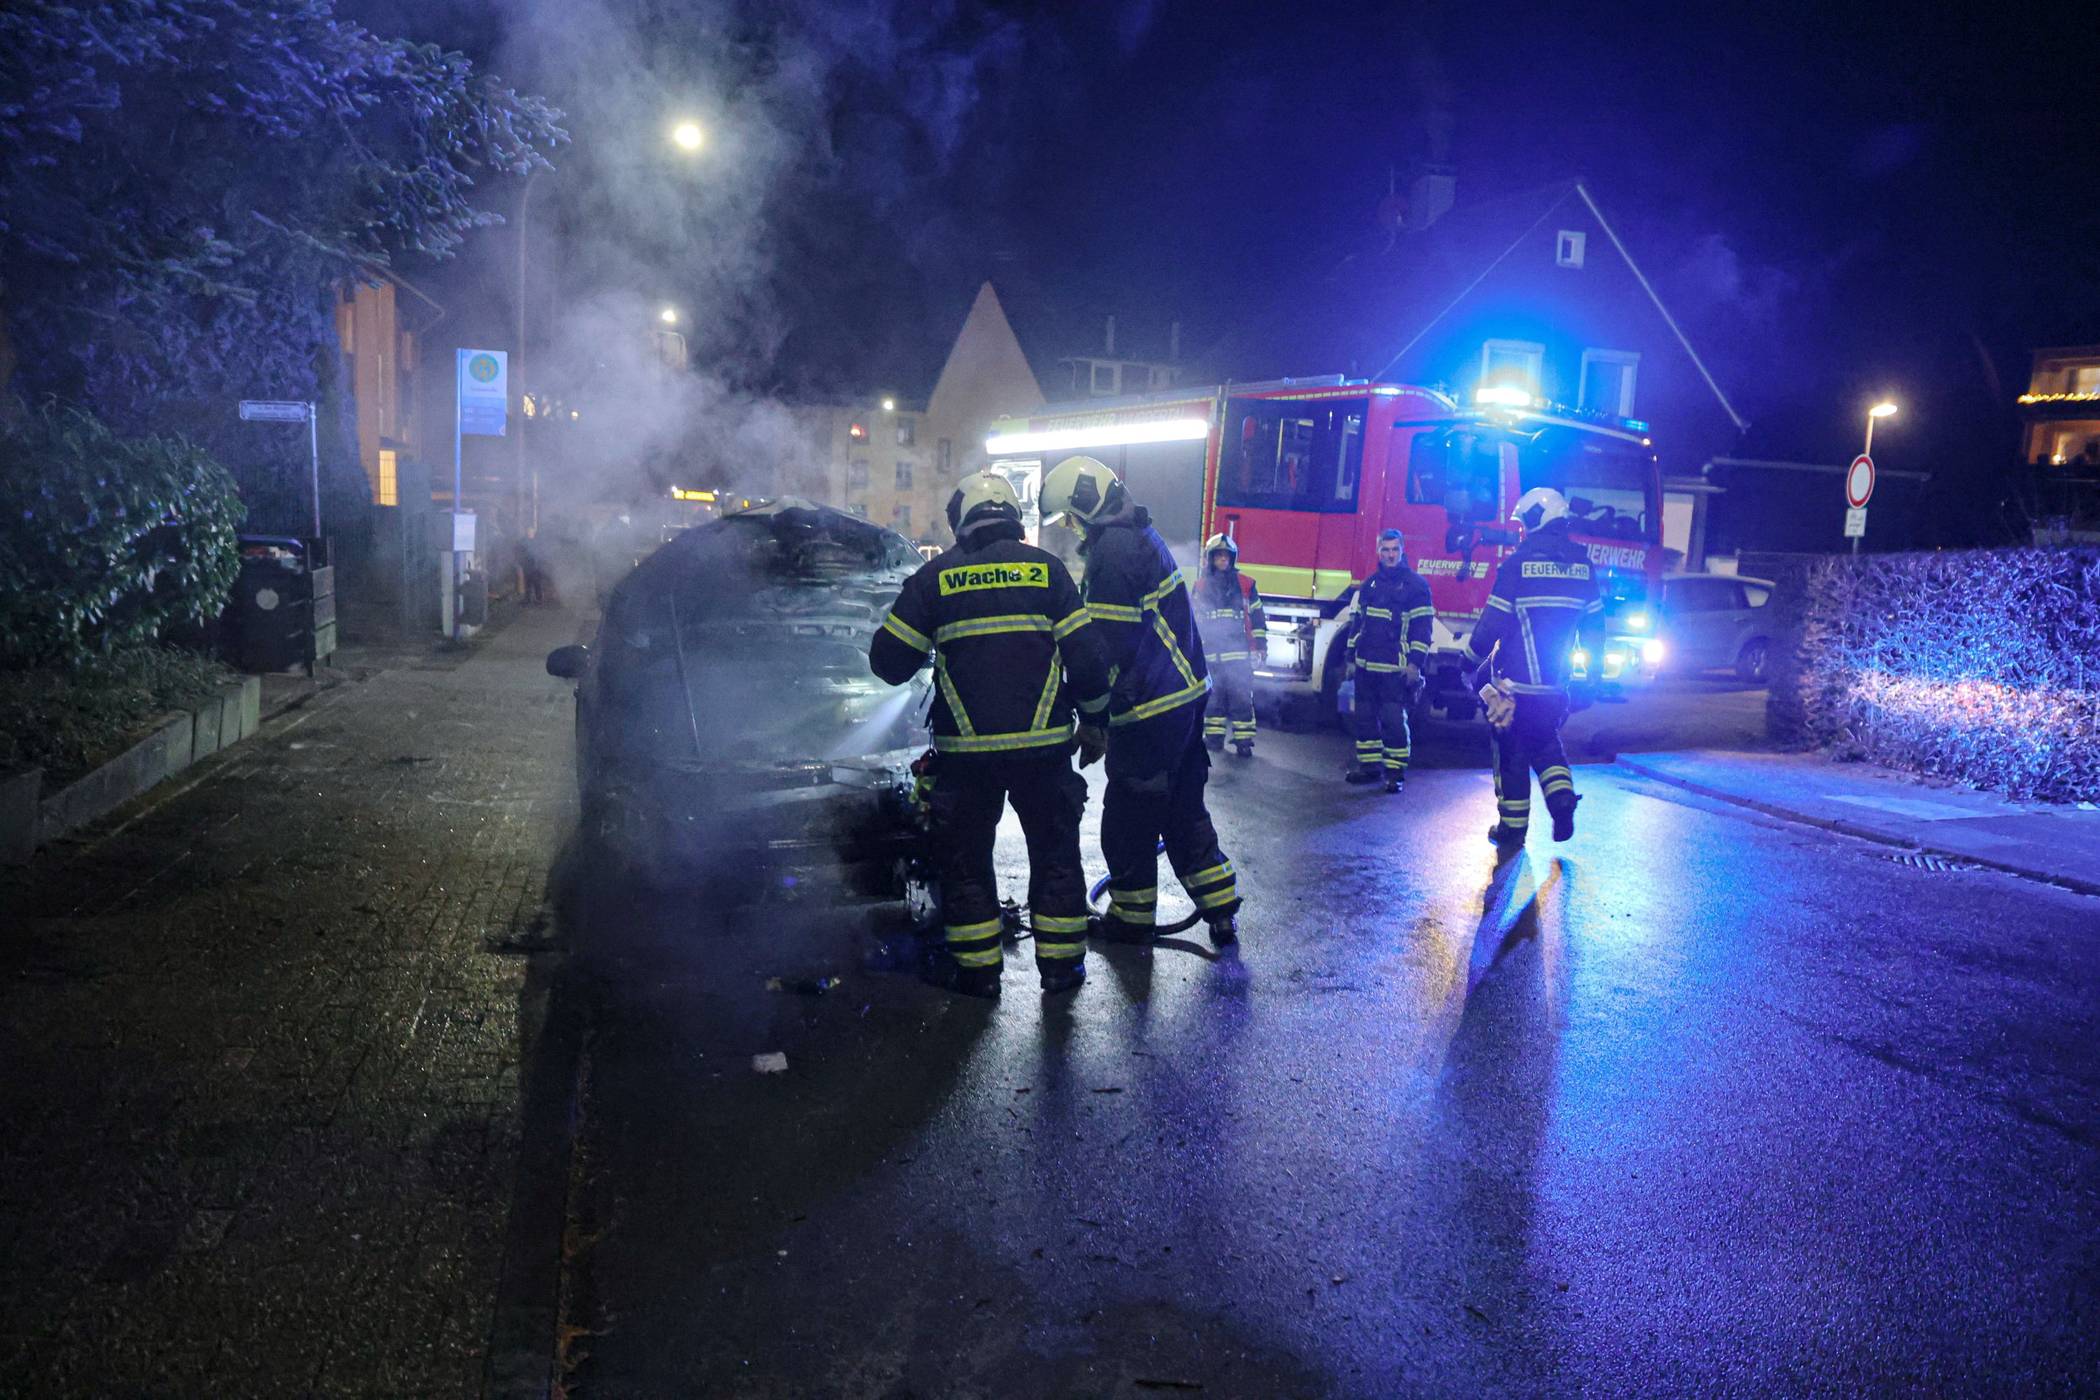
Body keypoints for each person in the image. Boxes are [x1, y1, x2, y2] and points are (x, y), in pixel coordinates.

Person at [868, 472, 1113, 999]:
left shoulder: (936, 578)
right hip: (1044, 752)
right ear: (1012, 517)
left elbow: (887, 663)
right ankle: (1063, 970)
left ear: (962, 520)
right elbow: (1089, 660)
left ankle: (979, 973)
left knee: (967, 862)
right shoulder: (1048, 573)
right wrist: (1095, 723)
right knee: (1055, 856)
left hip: (966, 758)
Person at [1036, 456, 1242, 947]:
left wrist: (1092, 715)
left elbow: (1107, 646)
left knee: (1130, 814)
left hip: (1150, 709)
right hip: (1186, 702)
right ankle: (1219, 906)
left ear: (1086, 506)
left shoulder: (1113, 551)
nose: (1071, 528)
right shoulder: (1139, 536)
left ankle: (1131, 918)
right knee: (1182, 807)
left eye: (1070, 517)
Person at [1459, 487, 1604, 852]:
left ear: (1538, 518)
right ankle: (1562, 800)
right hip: (1555, 688)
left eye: (1524, 525)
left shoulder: (1517, 564)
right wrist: (1594, 677)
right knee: (1546, 743)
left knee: (1509, 751)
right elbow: (1595, 629)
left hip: (1514, 685)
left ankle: (1512, 828)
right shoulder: (1582, 565)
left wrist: (1470, 658)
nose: (1521, 532)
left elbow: (1492, 621)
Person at [1343, 528, 1434, 793]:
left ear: (1402, 550)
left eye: (1395, 549)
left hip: (1395, 668)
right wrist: (1351, 657)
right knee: (1364, 718)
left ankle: (1395, 773)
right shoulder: (1369, 584)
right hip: (1366, 666)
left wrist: (1415, 664)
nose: (1390, 554)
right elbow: (1357, 623)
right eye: (1386, 550)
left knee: (1394, 720)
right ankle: (1370, 768)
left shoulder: (1416, 585)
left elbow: (1422, 629)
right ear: (1378, 552)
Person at [1195, 532, 1266, 756]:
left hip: (1238, 655)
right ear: (1211, 558)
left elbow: (1257, 618)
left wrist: (1261, 647)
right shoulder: (1201, 585)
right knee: (1213, 699)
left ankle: (1244, 741)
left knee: (1241, 698)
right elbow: (1193, 619)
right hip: (1211, 655)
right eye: (1219, 557)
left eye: (1226, 557)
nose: (1223, 560)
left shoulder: (1246, 584)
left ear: (1232, 558)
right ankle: (1214, 738)